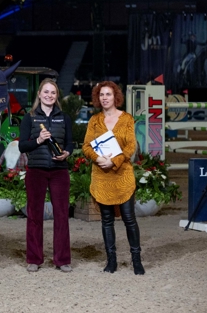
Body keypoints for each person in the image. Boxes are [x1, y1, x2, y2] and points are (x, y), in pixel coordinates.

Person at [82, 81, 145, 275]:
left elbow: (130, 147)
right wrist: (98, 158)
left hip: (122, 176)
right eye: (101, 94)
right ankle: (111, 261)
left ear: (115, 97)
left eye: (108, 94)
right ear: (97, 98)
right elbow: (86, 147)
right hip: (101, 176)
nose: (105, 98)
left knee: (129, 219)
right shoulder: (94, 121)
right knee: (106, 221)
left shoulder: (127, 119)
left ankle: (136, 260)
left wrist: (114, 162)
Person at [18, 78, 73, 273]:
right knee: (34, 216)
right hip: (36, 171)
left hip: (59, 172)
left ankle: (62, 259)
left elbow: (70, 143)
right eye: (46, 92)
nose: (49, 95)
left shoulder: (63, 117)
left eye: (53, 92)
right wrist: (39, 140)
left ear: (57, 96)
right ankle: (34, 258)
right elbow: (22, 146)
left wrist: (67, 153)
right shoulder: (29, 117)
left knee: (61, 215)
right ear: (39, 94)